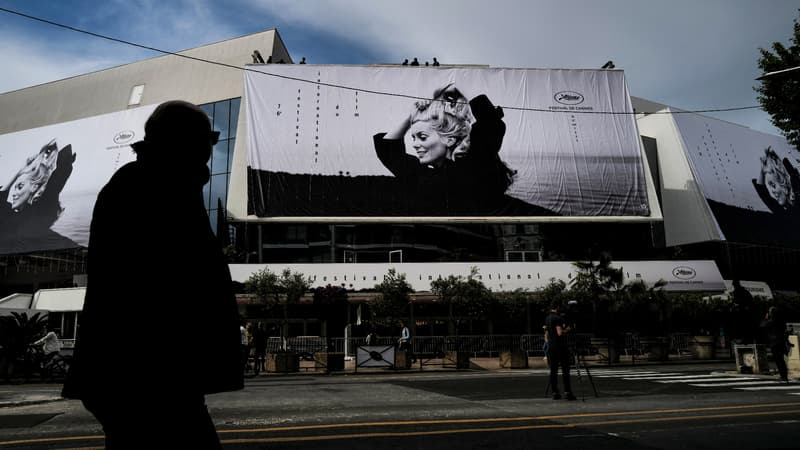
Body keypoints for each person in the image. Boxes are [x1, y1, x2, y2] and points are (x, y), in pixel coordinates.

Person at [61, 100, 243, 449]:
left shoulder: (157, 183)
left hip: (151, 373)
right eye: (210, 138)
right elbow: (164, 285)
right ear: (183, 140)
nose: (210, 147)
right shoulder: (153, 186)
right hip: (149, 373)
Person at [0, 139, 78, 253]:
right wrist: (20, 171)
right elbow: (2, 195)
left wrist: (65, 164)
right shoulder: (8, 212)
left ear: (34, 188)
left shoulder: (32, 213)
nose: (14, 193)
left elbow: (53, 188)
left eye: (20, 186)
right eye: (16, 187)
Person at [752, 146, 799, 215]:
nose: (773, 191)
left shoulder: (794, 207)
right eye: (770, 185)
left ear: (784, 183)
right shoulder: (784, 212)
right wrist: (763, 171)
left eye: (774, 185)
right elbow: (765, 196)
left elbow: (795, 181)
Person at [544, 302, 576, 400]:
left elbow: (547, 334)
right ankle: (567, 392)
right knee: (565, 370)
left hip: (551, 346)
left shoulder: (548, 318)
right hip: (560, 347)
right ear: (557, 308)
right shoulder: (557, 319)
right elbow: (559, 333)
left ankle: (555, 392)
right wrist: (568, 329)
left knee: (553, 370)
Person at [760, 306, 790, 382]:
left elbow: (762, 325)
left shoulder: (773, 320)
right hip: (781, 342)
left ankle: (783, 377)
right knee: (781, 360)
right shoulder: (781, 321)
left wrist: (766, 318)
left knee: (779, 360)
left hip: (775, 342)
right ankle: (784, 376)